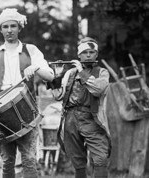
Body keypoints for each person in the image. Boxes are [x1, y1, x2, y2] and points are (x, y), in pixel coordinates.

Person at [0, 8, 54, 178]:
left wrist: (36, 67)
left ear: (19, 27)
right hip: (1, 112)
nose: (9, 30)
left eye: (13, 26)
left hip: (27, 110)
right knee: (7, 160)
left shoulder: (30, 50)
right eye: (5, 27)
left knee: (29, 158)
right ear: (0, 29)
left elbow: (50, 75)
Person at [54, 37, 111, 178]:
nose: (88, 55)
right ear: (79, 55)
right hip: (70, 118)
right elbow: (58, 96)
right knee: (77, 160)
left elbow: (97, 89)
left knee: (100, 158)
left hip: (92, 119)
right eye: (85, 52)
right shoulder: (70, 73)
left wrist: (81, 71)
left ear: (96, 55)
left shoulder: (102, 72)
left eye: (92, 52)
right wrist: (58, 75)